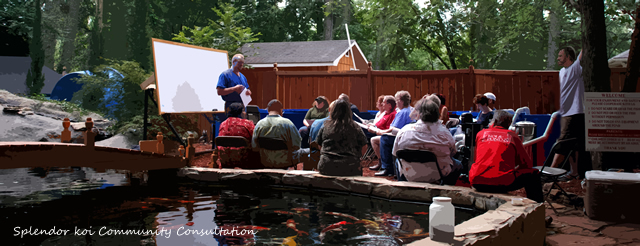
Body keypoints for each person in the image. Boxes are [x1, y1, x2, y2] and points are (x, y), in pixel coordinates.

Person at [469, 110, 543, 203]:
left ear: (494, 121)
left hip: (477, 181)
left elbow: (477, 159)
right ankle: (536, 208)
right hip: (502, 182)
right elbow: (527, 164)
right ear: (509, 124)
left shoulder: (481, 134)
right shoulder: (512, 136)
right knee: (534, 174)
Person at [393, 96, 461, 183]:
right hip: (438, 175)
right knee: (458, 164)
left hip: (409, 174)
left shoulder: (404, 131)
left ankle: (403, 187)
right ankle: (445, 191)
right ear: (437, 113)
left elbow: (395, 153)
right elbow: (453, 152)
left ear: (419, 113)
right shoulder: (445, 133)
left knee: (397, 162)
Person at [551, 47, 585, 181]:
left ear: (568, 56)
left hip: (575, 111)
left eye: (560, 56)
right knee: (572, 143)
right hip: (565, 112)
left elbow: (584, 53)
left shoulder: (576, 68)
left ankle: (550, 172)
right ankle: (574, 172)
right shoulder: (561, 71)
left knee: (562, 142)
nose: (558, 58)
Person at [252, 99, 310, 169]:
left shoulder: (259, 124)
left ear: (268, 110)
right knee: (310, 151)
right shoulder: (288, 123)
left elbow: (254, 147)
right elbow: (297, 146)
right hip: (286, 161)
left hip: (264, 161)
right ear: (281, 110)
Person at [316, 99, 368, 176]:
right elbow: (364, 146)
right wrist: (358, 157)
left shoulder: (326, 126)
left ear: (333, 111)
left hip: (327, 166)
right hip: (350, 167)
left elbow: (319, 144)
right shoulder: (355, 127)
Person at [372, 91, 414, 176]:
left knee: (384, 139)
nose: (396, 102)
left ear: (401, 101)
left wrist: (380, 132)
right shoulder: (413, 110)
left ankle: (387, 168)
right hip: (410, 137)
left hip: (402, 137)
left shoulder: (402, 112)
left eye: (397, 100)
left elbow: (393, 129)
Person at [217, 102, 259, 168]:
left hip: (226, 161)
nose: (245, 113)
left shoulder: (223, 124)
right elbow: (255, 140)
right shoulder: (248, 124)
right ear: (241, 112)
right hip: (245, 162)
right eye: (244, 111)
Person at [367, 96, 397, 169]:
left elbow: (390, 128)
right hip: (380, 132)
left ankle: (381, 162)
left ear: (389, 105)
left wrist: (376, 130)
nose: (382, 104)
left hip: (387, 135)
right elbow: (378, 124)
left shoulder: (393, 114)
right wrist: (372, 126)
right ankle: (381, 162)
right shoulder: (386, 113)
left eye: (384, 102)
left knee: (373, 140)